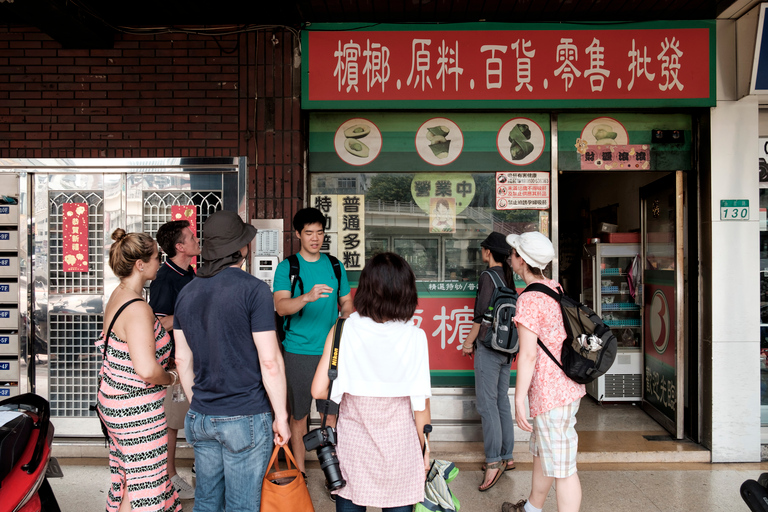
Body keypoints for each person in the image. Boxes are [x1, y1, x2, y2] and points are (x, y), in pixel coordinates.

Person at [172, 210, 291, 512]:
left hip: (201, 416)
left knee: (207, 502)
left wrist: (199, 403)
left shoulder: (186, 293)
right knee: (242, 506)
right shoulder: (254, 290)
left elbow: (182, 359)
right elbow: (270, 362)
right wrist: (281, 416)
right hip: (245, 415)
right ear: (240, 249)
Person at [310, 252, 432, 511]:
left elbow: (319, 389)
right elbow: (421, 408)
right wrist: (426, 451)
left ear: (365, 289)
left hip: (353, 448)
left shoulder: (343, 330)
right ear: (406, 292)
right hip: (399, 449)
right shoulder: (415, 337)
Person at [95, 229, 181, 512]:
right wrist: (170, 378)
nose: (161, 262)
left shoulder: (119, 295)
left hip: (115, 400)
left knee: (130, 480)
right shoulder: (138, 308)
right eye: (157, 257)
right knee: (146, 484)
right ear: (140, 264)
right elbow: (146, 370)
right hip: (136, 409)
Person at [501, 231, 586, 512]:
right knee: (544, 454)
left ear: (522, 260)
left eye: (513, 253)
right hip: (564, 388)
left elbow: (527, 354)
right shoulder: (554, 287)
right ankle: (532, 508)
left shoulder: (529, 299)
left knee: (564, 468)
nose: (509, 258)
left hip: (551, 396)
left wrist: (518, 399)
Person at [273, 207, 354, 478]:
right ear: (298, 234)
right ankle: (299, 474)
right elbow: (282, 307)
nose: (315, 238)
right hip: (298, 351)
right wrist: (306, 297)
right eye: (309, 233)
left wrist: (349, 317)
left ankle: (332, 474)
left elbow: (346, 302)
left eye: (320, 232)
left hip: (332, 352)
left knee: (330, 416)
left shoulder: (334, 265)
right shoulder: (288, 267)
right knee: (299, 417)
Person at [460, 232, 516, 492]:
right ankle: (507, 456)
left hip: (489, 347)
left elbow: (480, 318)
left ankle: (493, 462)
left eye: (482, 249)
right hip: (507, 349)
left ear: (487, 252)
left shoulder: (487, 276)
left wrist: (468, 343)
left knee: (486, 404)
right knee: (501, 399)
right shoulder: (508, 276)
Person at [149, 219, 199, 500]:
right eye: (191, 237)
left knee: (192, 416)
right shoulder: (164, 279)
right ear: (180, 246)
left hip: (195, 358)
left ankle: (198, 464)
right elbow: (158, 323)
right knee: (171, 422)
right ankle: (169, 476)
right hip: (173, 363)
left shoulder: (191, 274)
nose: (195, 239)